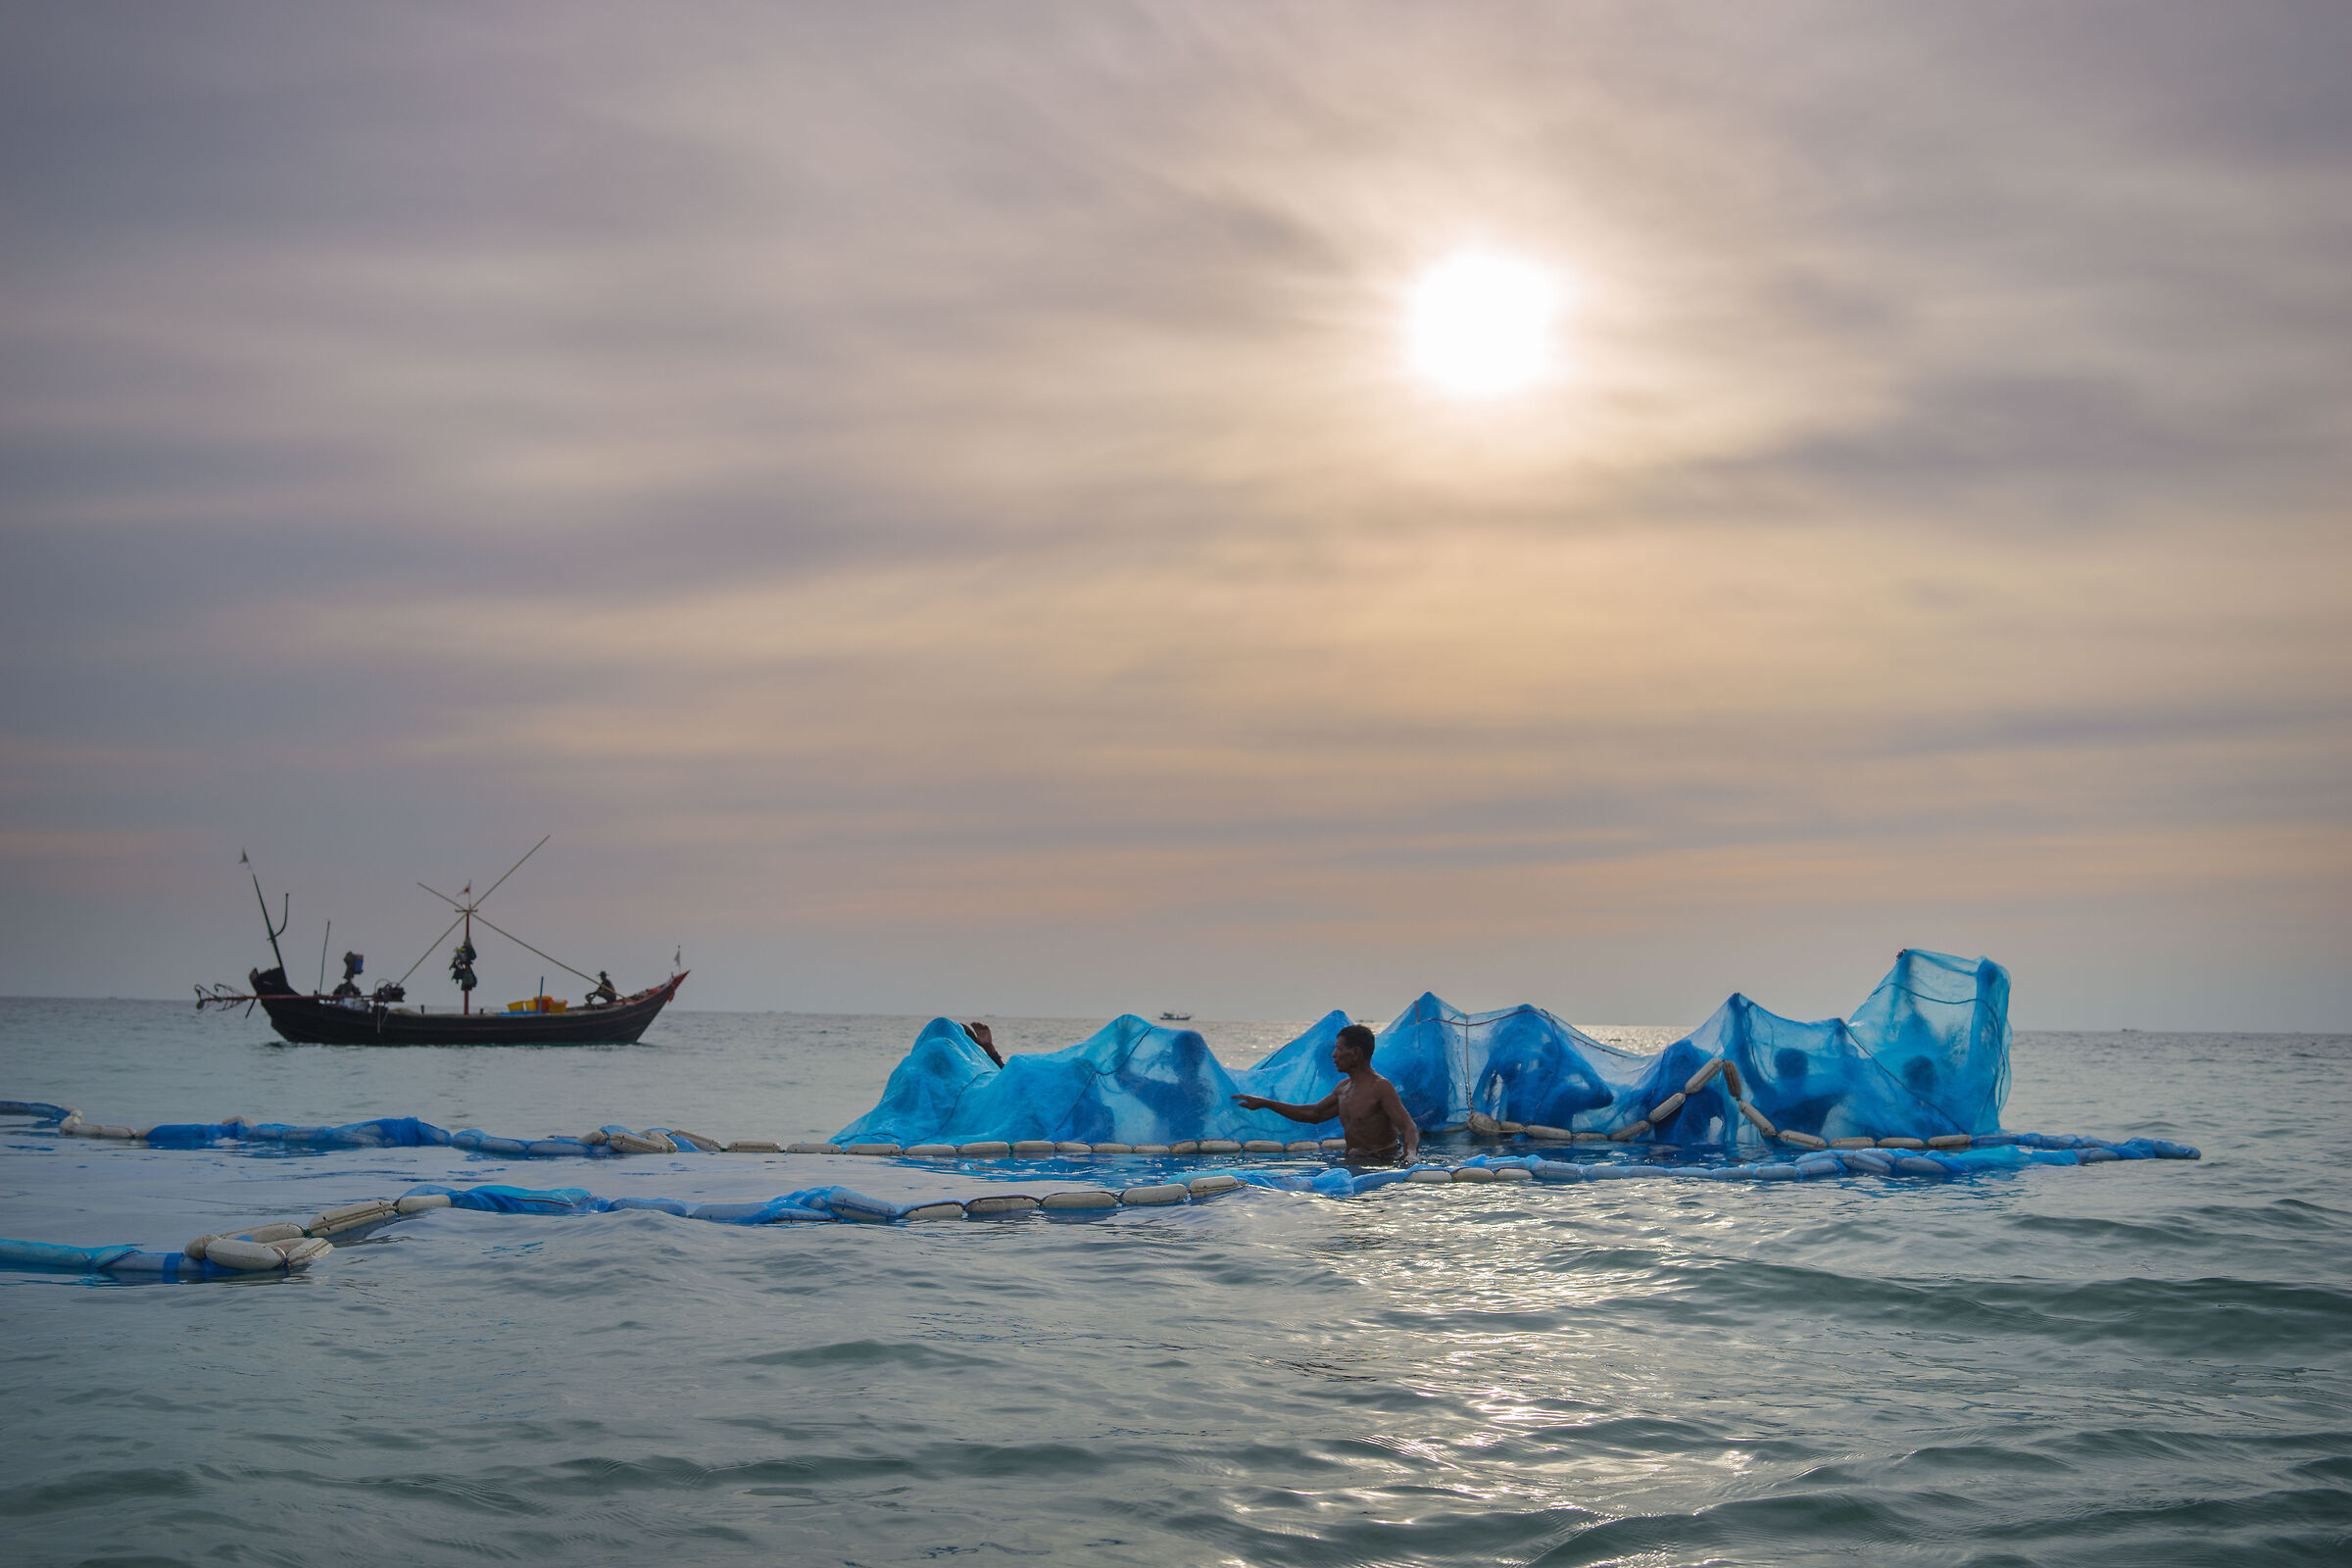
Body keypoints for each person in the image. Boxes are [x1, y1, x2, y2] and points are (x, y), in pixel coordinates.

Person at [1232, 1023, 1419, 1163]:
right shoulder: (1343, 1088)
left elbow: (1408, 1127)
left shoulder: (1380, 1087)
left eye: (1339, 1049)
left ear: (1356, 1052)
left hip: (1381, 1162)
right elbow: (1314, 1114)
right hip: (1353, 1160)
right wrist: (1265, 1103)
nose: (1333, 1054)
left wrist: (1410, 1155)